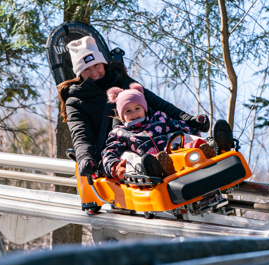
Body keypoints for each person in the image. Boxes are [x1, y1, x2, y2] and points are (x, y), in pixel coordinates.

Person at [57, 35, 211, 177]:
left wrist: (189, 119)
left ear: (103, 62)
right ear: (79, 73)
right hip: (117, 146)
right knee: (130, 157)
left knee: (176, 136)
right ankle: (148, 168)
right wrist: (86, 158)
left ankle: (208, 147)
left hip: (149, 134)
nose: (94, 72)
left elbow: (156, 103)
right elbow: (81, 134)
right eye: (86, 69)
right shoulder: (75, 100)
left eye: (96, 65)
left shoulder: (120, 79)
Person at [101, 83, 233, 179]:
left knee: (179, 135)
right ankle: (150, 171)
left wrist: (194, 128)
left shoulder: (158, 118)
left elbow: (179, 126)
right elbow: (109, 151)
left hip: (173, 153)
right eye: (128, 111)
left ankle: (212, 146)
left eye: (137, 108)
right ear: (121, 115)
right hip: (150, 162)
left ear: (145, 108)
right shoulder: (120, 132)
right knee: (127, 155)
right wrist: (114, 166)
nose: (134, 114)